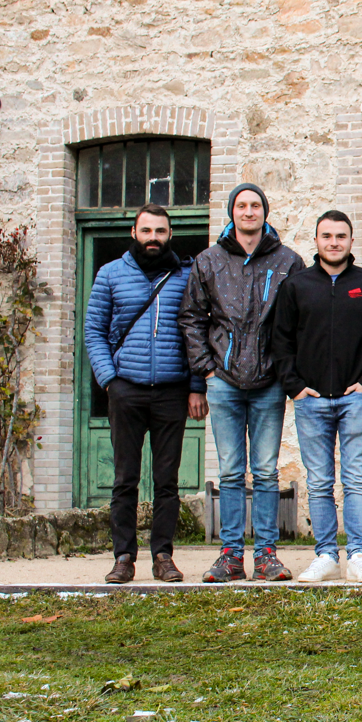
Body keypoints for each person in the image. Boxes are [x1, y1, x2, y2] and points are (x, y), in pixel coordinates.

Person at [180, 183, 304, 582]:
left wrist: (288, 372)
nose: (248, 212)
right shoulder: (209, 261)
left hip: (269, 381)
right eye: (241, 205)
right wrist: (207, 369)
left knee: (266, 472)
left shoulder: (288, 262)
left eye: (255, 206)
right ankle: (231, 555)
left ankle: (266, 554)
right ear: (231, 213)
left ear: (265, 213)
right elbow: (193, 318)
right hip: (225, 380)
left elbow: (301, 322)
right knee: (232, 472)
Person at [84, 204, 207, 584]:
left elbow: (196, 332)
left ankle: (163, 556)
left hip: (172, 392)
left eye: (160, 231)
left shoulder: (186, 276)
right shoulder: (110, 274)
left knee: (167, 481)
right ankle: (123, 557)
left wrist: (195, 386)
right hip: (127, 391)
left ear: (170, 235)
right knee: (125, 479)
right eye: (146, 230)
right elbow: (94, 331)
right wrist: (109, 380)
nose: (153, 237)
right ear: (134, 233)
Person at [273, 210, 362, 584]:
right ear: (317, 240)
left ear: (352, 241)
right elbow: (281, 341)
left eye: (341, 236)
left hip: (356, 399)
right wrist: (294, 386)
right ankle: (326, 555)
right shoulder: (296, 286)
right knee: (320, 481)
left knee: (356, 479)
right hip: (311, 400)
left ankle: (358, 554)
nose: (334, 242)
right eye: (327, 236)